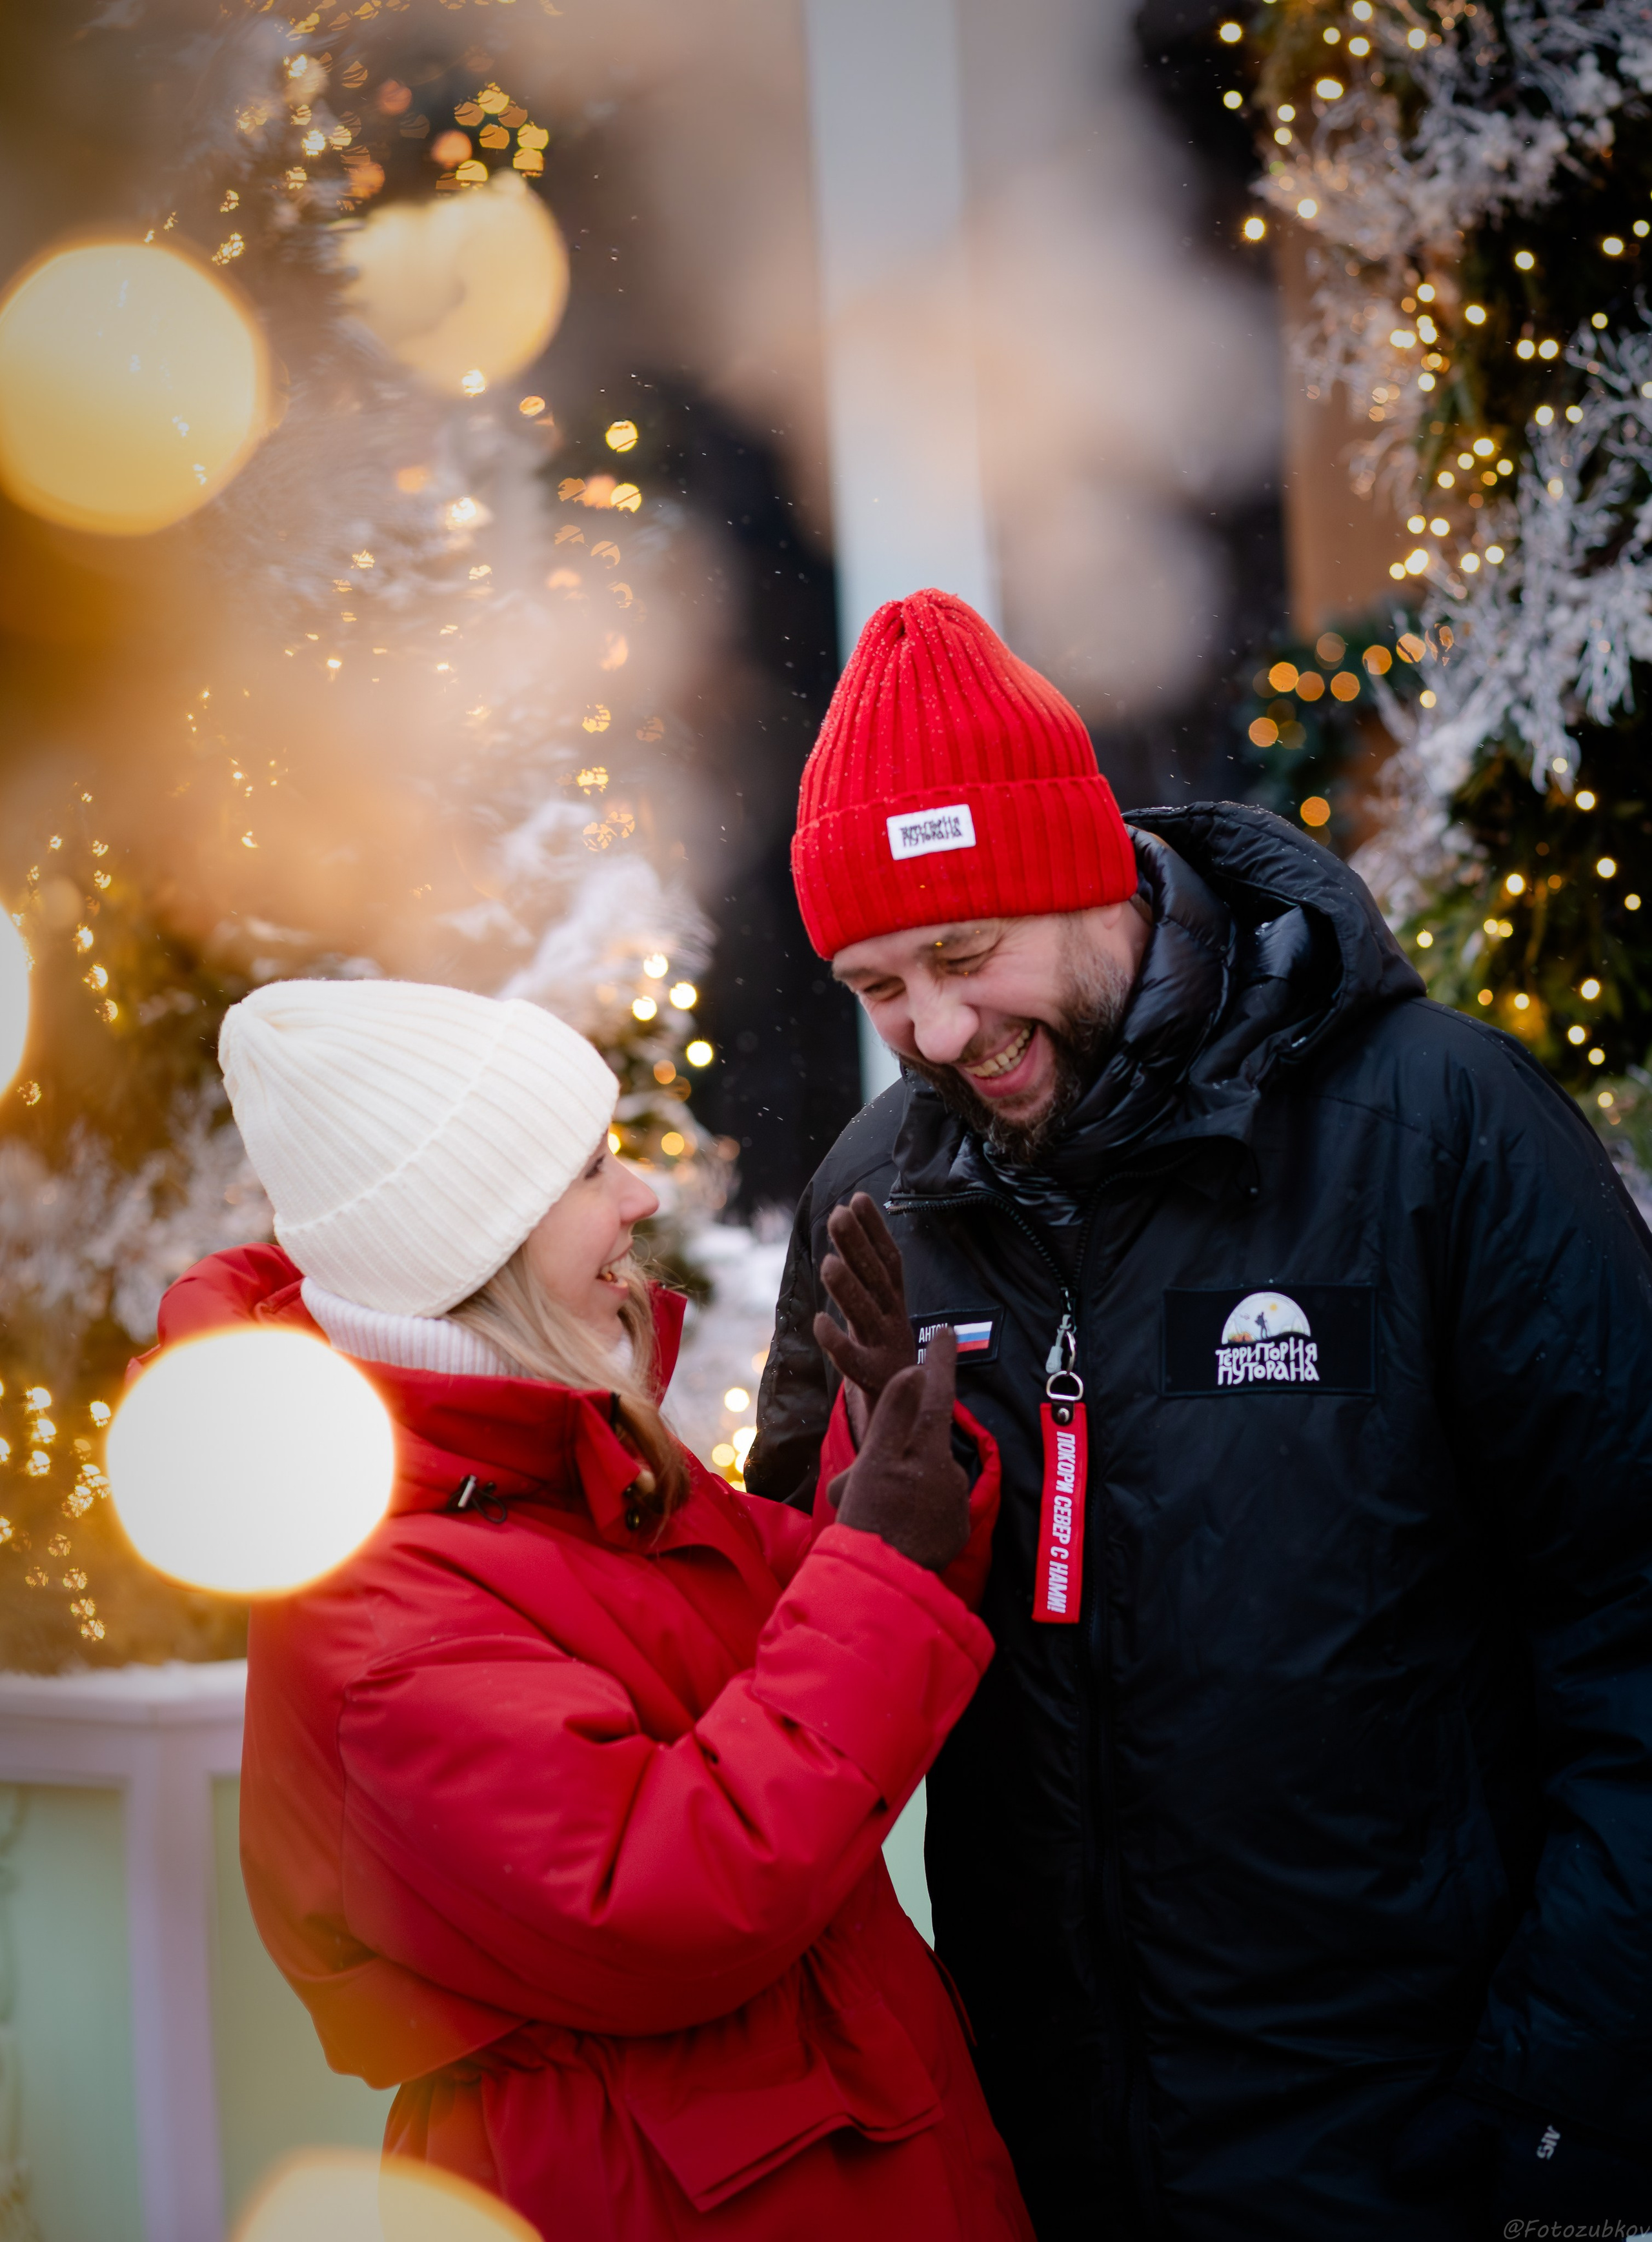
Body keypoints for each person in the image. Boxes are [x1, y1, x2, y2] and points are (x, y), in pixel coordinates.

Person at [749, 589, 1652, 2240]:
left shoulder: (1434, 1128)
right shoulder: (881, 1198)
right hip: (1040, 2151)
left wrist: (1562, 2105)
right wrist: (865, 1548)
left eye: (964, 954)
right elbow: (797, 1679)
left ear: (1090, 874)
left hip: (1413, 2144)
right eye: (876, 986)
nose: (937, 1035)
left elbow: (1632, 1635)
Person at [157, 976, 1034, 2242]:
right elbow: (673, 1893)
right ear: (478, 1248)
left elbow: (789, 1625)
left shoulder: (560, 1468)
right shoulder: (379, 1617)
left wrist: (898, 1468)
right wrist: (886, 1565)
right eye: (586, 1172)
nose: (640, 1197)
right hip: (655, 2196)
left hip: (833, 2141)